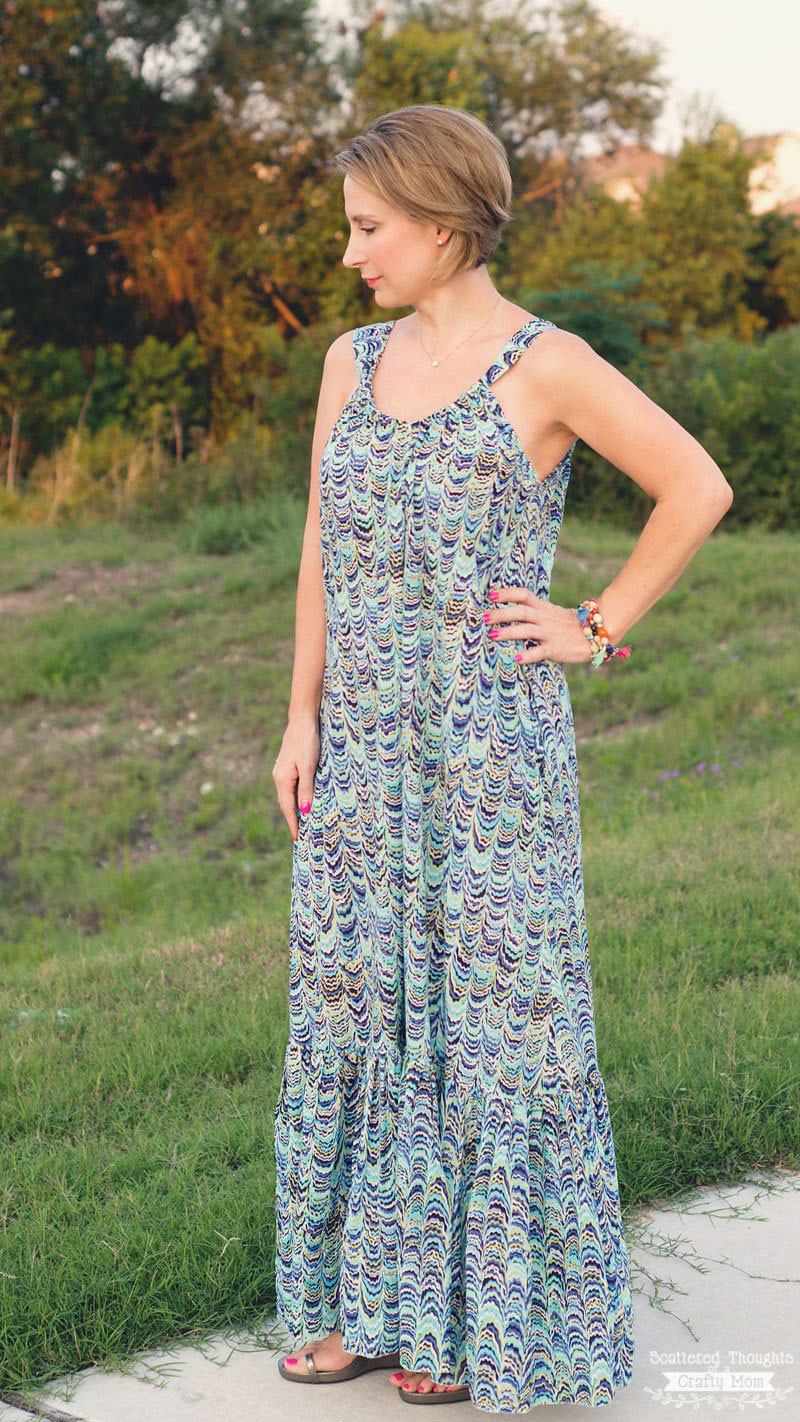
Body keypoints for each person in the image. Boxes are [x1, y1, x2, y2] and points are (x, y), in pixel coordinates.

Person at [271, 103, 733, 1411]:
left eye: (368, 227)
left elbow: (695, 487)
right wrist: (299, 714)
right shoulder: (348, 364)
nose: (354, 251)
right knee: (362, 1020)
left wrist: (597, 623)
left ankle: (467, 1323)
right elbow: (320, 549)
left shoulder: (547, 365)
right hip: (359, 758)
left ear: (438, 220)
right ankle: (375, 1306)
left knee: (488, 1036)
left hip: (488, 771)